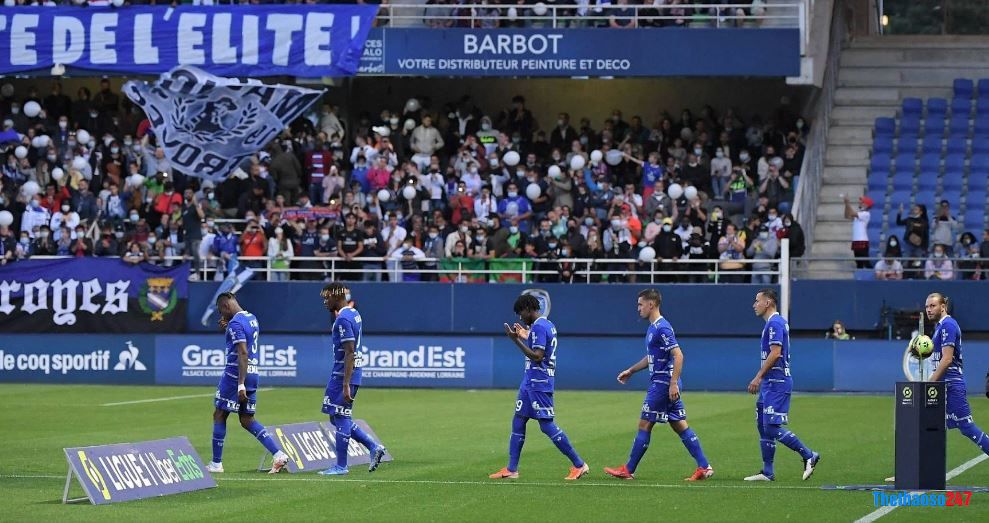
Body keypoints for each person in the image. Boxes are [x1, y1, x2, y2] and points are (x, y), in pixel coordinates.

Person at [603, 289, 714, 481]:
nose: (638, 308)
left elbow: (678, 355)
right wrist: (631, 370)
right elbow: (652, 357)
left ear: (651, 304)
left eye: (640, 304)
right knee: (679, 424)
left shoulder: (662, 327)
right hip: (665, 382)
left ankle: (628, 469)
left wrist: (672, 384)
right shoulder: (653, 327)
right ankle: (704, 466)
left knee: (645, 424)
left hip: (663, 383)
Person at [490, 294, 589, 481]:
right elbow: (539, 345)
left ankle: (579, 464)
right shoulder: (545, 325)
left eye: (521, 313)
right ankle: (512, 469)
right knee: (518, 420)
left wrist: (515, 340)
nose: (520, 318)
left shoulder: (540, 327)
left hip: (539, 382)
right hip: (530, 381)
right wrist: (525, 335)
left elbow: (537, 356)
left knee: (546, 425)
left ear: (528, 309)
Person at [206, 293, 290, 475]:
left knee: (219, 414)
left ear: (226, 306)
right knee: (246, 419)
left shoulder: (235, 323)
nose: (221, 315)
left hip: (236, 374)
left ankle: (216, 464)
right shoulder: (251, 318)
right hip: (253, 372)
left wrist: (240, 384)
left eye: (221, 311)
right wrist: (229, 326)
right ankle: (278, 454)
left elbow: (242, 352)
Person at [745, 289, 821, 481]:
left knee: (771, 427)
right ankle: (768, 472)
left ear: (768, 302)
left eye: (757, 301)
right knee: (762, 425)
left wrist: (758, 376)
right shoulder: (773, 323)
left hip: (777, 382)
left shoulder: (775, 323)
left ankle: (809, 455)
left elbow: (776, 352)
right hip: (770, 383)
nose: (754, 305)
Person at [317, 283, 387, 476]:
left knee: (340, 417)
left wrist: (345, 383)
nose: (325, 301)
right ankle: (373, 446)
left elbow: (350, 352)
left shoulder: (343, 320)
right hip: (349, 373)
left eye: (327, 297)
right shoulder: (354, 313)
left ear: (337, 297)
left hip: (343, 376)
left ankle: (341, 466)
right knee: (337, 416)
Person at [922, 293, 989, 456]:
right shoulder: (939, 328)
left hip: (950, 384)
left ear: (943, 307)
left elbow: (946, 359)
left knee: (966, 426)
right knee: (928, 425)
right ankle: (916, 469)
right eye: (927, 307)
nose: (928, 310)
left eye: (933, 306)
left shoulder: (948, 326)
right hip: (941, 386)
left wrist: (930, 382)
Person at [844, 195, 873, 269]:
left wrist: (848, 203)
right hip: (856, 241)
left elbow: (852, 214)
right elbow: (847, 216)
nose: (860, 203)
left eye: (862, 202)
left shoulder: (866, 214)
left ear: (866, 205)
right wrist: (846, 205)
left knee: (866, 263)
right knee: (859, 264)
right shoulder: (859, 214)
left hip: (862, 240)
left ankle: (873, 277)